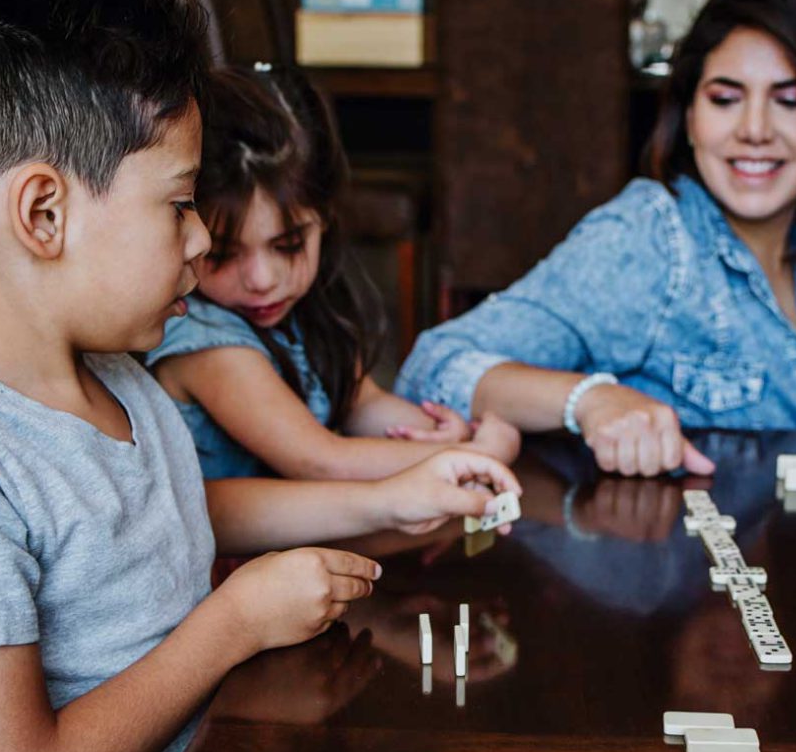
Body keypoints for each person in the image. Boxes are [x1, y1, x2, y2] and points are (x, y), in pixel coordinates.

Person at [0, 0, 519, 752]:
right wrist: (233, 624)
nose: (205, 239)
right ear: (42, 213)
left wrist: (392, 503)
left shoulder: (122, 378)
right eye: (179, 205)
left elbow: (181, 517)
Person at [396, 0, 796, 475]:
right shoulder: (647, 241)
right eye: (725, 99)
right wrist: (589, 400)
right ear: (689, 117)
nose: (756, 129)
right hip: (694, 578)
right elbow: (434, 368)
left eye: (790, 101)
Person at [146, 66, 520, 481]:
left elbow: (363, 404)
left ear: (324, 219)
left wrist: (438, 433)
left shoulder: (306, 309)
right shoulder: (205, 339)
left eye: (288, 245)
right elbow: (319, 460)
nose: (262, 278)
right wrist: (476, 452)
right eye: (222, 254)